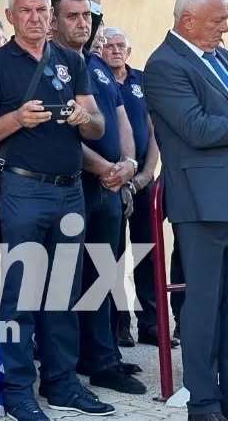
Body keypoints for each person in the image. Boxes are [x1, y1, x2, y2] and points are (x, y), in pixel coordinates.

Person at [0, 0, 113, 421]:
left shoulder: (71, 59)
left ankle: (63, 383)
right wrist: (16, 119)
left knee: (64, 292)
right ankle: (17, 390)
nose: (35, 18)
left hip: (69, 189)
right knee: (22, 294)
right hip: (22, 189)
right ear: (10, 15)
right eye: (25, 11)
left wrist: (83, 116)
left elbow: (99, 126)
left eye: (40, 10)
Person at [50, 0, 144, 394]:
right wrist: (105, 168)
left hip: (110, 187)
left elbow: (119, 114)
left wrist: (128, 164)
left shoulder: (97, 65)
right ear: (54, 22)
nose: (83, 23)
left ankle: (104, 355)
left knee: (104, 275)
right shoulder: (54, 67)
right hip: (77, 186)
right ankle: (84, 361)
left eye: (87, 17)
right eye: (73, 17)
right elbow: (62, 132)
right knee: (71, 280)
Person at [143, 0, 228, 421]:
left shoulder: (217, 58)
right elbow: (195, 128)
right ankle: (203, 399)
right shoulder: (164, 65)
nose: (224, 28)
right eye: (218, 20)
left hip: (223, 199)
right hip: (200, 205)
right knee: (203, 306)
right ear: (188, 20)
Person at [99, 27, 164, 348]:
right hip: (111, 182)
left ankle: (152, 324)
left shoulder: (142, 81)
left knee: (147, 253)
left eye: (119, 46)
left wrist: (145, 175)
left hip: (143, 184)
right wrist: (122, 178)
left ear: (129, 50)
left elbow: (154, 134)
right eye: (108, 45)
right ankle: (119, 324)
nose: (114, 50)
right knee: (113, 256)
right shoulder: (97, 80)